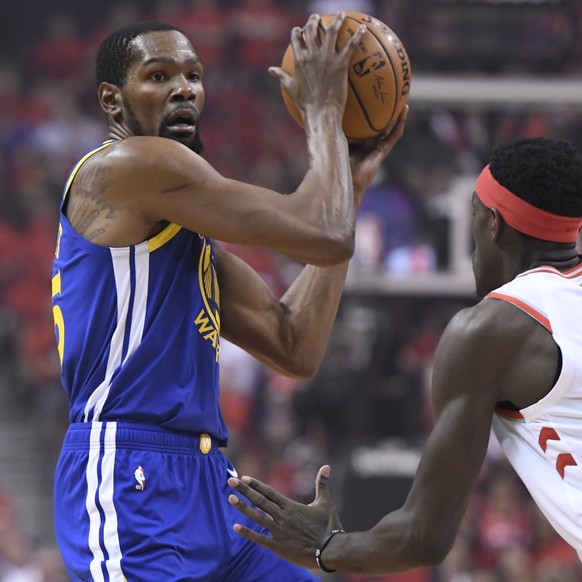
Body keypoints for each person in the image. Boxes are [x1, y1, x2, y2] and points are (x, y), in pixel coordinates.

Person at [50, 13, 408, 582]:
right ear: (113, 102)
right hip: (130, 480)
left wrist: (352, 188)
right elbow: (326, 230)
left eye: (193, 74)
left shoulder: (186, 244)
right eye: (159, 75)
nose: (184, 88)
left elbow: (295, 345)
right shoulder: (126, 167)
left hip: (211, 483)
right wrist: (323, 113)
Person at [228, 136, 582, 575]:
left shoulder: (495, 328)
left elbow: (424, 537)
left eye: (472, 215)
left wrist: (324, 546)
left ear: (493, 223)